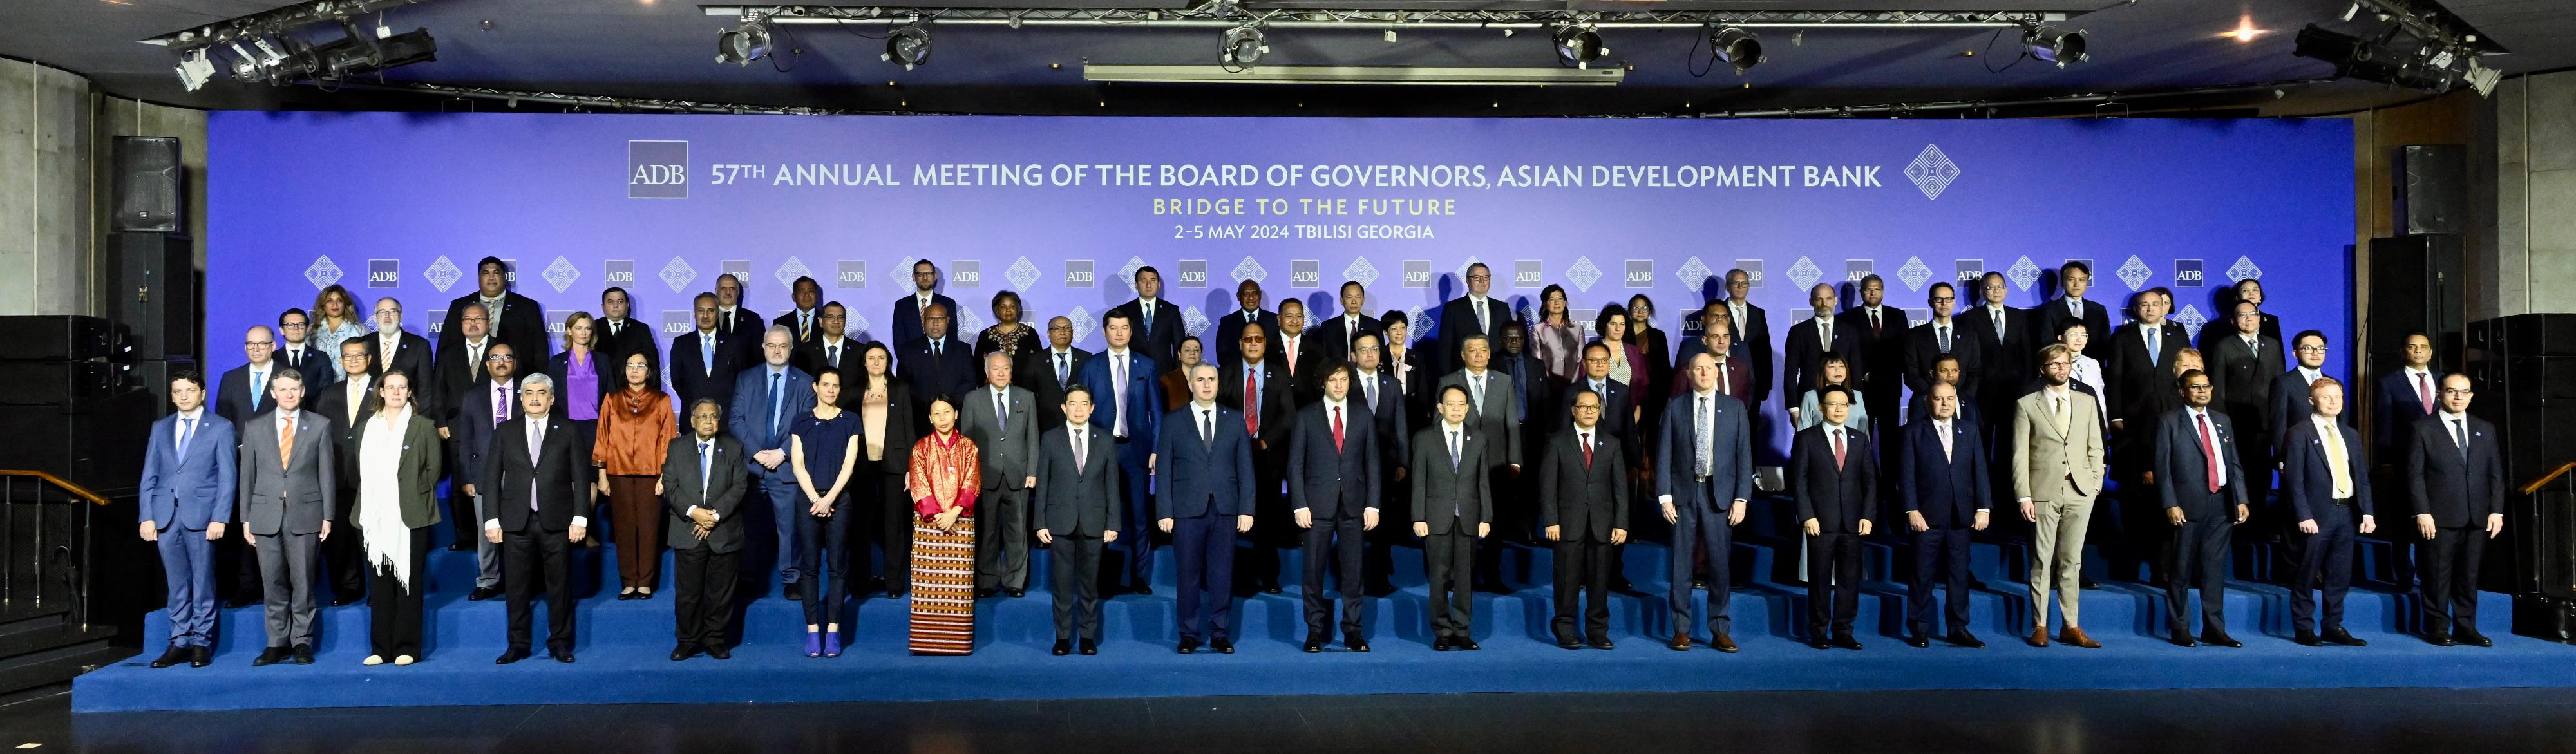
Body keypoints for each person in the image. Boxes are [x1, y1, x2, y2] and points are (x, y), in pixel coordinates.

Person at [1654, 352, 1753, 652]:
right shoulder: (1675, 406)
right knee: (1681, 566)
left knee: (1720, 566)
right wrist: (1664, 496)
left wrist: (1741, 497)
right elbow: (1664, 453)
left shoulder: (1735, 408)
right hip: (1683, 495)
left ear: (1716, 371)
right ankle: (1681, 630)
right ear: (1689, 374)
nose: (1704, 373)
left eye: (1709, 368)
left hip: (1720, 496)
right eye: (1698, 369)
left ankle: (1720, 629)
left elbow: (1744, 456)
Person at [138, 370, 237, 669]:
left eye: (190, 390)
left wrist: (220, 517)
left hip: (202, 517)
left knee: (203, 580)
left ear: (202, 394)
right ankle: (179, 641)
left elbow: (228, 477)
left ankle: (201, 642)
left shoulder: (221, 428)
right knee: (176, 583)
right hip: (165, 515)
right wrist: (147, 516)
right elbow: (150, 475)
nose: (184, 396)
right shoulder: (160, 427)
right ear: (172, 395)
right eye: (178, 391)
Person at [485, 373, 585, 664]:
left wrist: (580, 518)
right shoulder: (505, 431)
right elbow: (491, 479)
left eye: (541, 392)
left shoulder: (568, 430)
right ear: (521, 398)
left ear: (552, 399)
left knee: (560, 586)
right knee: (516, 588)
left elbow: (581, 476)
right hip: (516, 522)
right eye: (529, 392)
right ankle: (518, 644)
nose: (535, 398)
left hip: (558, 521)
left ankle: (560, 643)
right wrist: (492, 520)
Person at [1156, 364, 1256, 654]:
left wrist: (1247, 509)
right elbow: (1164, 470)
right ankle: (1188, 633)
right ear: (1190, 385)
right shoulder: (1174, 421)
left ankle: (1220, 633)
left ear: (1218, 383)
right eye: (1201, 380)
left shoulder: (1235, 420)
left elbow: (1246, 469)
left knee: (1222, 574)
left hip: (1226, 509)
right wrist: (1164, 510)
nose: (1207, 385)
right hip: (1187, 510)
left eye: (1212, 379)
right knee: (1188, 575)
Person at [2014, 344, 2108, 648]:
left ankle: (2071, 625)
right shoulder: (2027, 404)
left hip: (2081, 490)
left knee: (2072, 561)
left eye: (2066, 363)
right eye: (2055, 364)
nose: (2062, 369)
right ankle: (2039, 625)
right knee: (2041, 561)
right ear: (2043, 369)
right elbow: (2019, 456)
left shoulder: (2086, 401)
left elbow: (2097, 445)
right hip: (2042, 491)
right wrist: (2023, 495)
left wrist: (2095, 483)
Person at [238, 369, 334, 666]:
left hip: (306, 514)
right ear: (273, 393)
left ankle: (302, 642)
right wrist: (245, 519)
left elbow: (326, 474)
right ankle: (276, 643)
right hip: (264, 515)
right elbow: (247, 477)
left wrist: (327, 515)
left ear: (303, 391)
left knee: (303, 582)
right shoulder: (254, 427)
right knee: (273, 582)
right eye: (283, 389)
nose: (289, 394)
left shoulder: (320, 425)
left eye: (294, 389)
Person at [1287, 364, 1380, 653]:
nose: (1339, 385)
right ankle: (1315, 632)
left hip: (1354, 505)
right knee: (1313, 573)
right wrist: (1299, 504)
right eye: (1333, 380)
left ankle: (1353, 632)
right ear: (1323, 383)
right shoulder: (1306, 416)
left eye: (1344, 380)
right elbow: (1296, 464)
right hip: (1316, 507)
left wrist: (1373, 504)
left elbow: (1373, 463)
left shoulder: (1364, 415)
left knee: (1354, 573)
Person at [2155, 368, 2251, 647]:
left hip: (2221, 504)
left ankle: (2214, 628)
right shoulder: (2169, 421)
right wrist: (2170, 503)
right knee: (2181, 570)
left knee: (2214, 570)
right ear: (2182, 391)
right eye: (2195, 387)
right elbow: (2163, 469)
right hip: (2186, 507)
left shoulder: (2222, 421)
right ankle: (2180, 627)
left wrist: (2241, 498)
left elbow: (2233, 464)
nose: (2202, 391)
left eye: (2206, 386)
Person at [350, 370, 439, 666]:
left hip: (410, 517)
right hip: (373, 517)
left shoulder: (423, 426)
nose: (397, 392)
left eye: (403, 387)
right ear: (381, 392)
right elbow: (358, 470)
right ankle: (380, 649)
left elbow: (433, 470)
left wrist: (411, 495)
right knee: (379, 586)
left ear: (410, 392)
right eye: (391, 387)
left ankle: (407, 648)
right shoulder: (366, 428)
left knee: (409, 585)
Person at [2409, 373, 2504, 647]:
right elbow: (2414, 476)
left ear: (2472, 396)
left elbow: (2495, 474)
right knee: (2437, 575)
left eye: (2464, 392)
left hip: (2477, 517)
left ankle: (2466, 627)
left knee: (2469, 576)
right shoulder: (2422, 429)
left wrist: (2496, 511)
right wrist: (2422, 512)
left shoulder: (2485, 428)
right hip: (2438, 517)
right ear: (2440, 394)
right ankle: (2438, 627)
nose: (2458, 397)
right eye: (2452, 391)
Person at [2280, 377, 2375, 647]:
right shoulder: (2299, 433)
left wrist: (2367, 512)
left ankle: (2333, 625)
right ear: (2312, 401)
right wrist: (2303, 515)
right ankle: (2304, 628)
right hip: (2316, 515)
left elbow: (2361, 477)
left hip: (2346, 514)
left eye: (2338, 397)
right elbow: (2293, 480)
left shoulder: (2351, 434)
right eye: (2327, 397)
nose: (2334, 402)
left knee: (2340, 574)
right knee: (2307, 574)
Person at [1077, 310, 1162, 594]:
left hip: (1136, 450)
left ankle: (1138, 576)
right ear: (1104, 332)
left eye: (1125, 328)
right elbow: (1080, 413)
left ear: (1131, 331)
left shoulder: (1146, 365)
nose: (1119, 333)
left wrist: (1156, 449)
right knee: (1099, 515)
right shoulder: (1091, 366)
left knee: (1140, 515)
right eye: (1113, 328)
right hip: (1101, 449)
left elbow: (1157, 412)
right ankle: (1099, 578)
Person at [1899, 382, 1988, 648]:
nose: (1945, 403)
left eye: (1950, 398)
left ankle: (1958, 628)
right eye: (1939, 399)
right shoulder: (1913, 432)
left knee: (1959, 575)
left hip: (1961, 518)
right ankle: (1919, 628)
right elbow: (1906, 475)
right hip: (1925, 518)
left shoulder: (1969, 431)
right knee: (1922, 575)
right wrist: (1911, 510)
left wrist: (1984, 508)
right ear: (1929, 402)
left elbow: (1980, 471)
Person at [730, 326, 816, 601]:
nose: (777, 350)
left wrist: (782, 453)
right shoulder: (747, 378)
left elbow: (807, 423)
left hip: (787, 467)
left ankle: (792, 577)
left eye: (782, 346)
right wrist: (756, 453)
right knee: (750, 526)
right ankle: (747, 576)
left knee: (789, 527)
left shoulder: (805, 382)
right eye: (771, 345)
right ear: (764, 347)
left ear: (791, 349)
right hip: (752, 468)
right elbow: (735, 420)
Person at [1036, 385, 1122, 656]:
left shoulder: (1106, 440)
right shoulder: (1050, 439)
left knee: (1089, 585)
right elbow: (1043, 484)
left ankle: (1087, 636)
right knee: (1061, 586)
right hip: (1060, 522)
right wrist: (1040, 522)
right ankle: (1062, 637)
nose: (1078, 409)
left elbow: (1112, 486)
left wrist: (1113, 523)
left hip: (1095, 523)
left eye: (1084, 404)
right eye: (1073, 404)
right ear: (1064, 408)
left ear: (1092, 408)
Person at [1540, 389, 1626, 650]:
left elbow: (1620, 487)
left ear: (1600, 411)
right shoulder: (1557, 441)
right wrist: (1551, 520)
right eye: (1584, 407)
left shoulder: (1611, 444)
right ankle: (1565, 628)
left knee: (1600, 580)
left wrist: (1621, 523)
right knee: (1567, 579)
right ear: (1573, 410)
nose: (1589, 411)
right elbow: (1547, 484)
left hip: (1602, 525)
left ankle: (1598, 631)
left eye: (1594, 407)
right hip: (1567, 523)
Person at [1792, 385, 1876, 650]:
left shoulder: (1860, 440)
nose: (1839, 409)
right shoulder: (1806, 438)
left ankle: (1843, 630)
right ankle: (1819, 631)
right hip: (1820, 522)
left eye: (1844, 405)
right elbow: (1799, 481)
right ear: (1821, 408)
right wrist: (1807, 515)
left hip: (1853, 523)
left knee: (1849, 581)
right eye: (1833, 404)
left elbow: (1870, 482)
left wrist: (1868, 515)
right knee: (1819, 580)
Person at [666, 399, 748, 661]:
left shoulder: (734, 447)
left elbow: (739, 486)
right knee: (688, 593)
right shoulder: (677, 447)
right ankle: (688, 641)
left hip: (723, 532)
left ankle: (715, 640)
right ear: (692, 420)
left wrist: (713, 516)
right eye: (703, 417)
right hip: (688, 530)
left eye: (713, 417)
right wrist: (694, 513)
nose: (709, 422)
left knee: (721, 593)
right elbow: (670, 485)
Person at [1412, 385, 1492, 650]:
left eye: (1461, 404)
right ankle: (1442, 631)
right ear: (1440, 408)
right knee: (1439, 576)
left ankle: (1462, 630)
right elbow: (1419, 482)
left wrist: (1486, 517)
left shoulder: (1478, 438)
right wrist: (1418, 517)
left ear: (1468, 408)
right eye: (1451, 404)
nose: (1456, 409)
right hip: (1435, 517)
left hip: (1469, 517)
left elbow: (1483, 483)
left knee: (1465, 577)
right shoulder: (1425, 438)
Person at [790, 372, 864, 658]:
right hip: (809, 500)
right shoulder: (801, 421)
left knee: (837, 566)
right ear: (815, 387)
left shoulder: (851, 421)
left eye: (836, 385)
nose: (831, 390)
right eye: (826, 385)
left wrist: (830, 498)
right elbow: (798, 464)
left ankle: (833, 629)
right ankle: (812, 630)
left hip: (839, 500)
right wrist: (815, 499)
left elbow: (849, 465)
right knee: (809, 567)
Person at [1222, 326, 1296, 594]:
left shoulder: (1278, 373)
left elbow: (1288, 416)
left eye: (1258, 339)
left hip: (1268, 458)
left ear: (1265, 343)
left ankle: (1269, 576)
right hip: (1231, 458)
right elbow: (1218, 413)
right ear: (1241, 343)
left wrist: (1265, 441)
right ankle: (1231, 577)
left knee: (1266, 521)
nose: (1253, 344)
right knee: (1230, 519)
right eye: (1248, 339)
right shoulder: (1226, 373)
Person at [601, 350, 681, 599]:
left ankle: (645, 581)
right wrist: (602, 475)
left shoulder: (661, 400)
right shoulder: (612, 399)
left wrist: (664, 477)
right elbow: (602, 438)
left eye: (640, 365)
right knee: (624, 530)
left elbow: (669, 440)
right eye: (630, 365)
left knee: (649, 529)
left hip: (652, 475)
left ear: (649, 370)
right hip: (618, 473)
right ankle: (628, 582)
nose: (635, 370)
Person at [907, 394, 982, 655]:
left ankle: (957, 642)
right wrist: (938, 514)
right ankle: (926, 642)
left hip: (961, 522)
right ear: (929, 418)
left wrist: (955, 513)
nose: (942, 418)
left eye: (946, 412)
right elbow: (918, 485)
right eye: (936, 414)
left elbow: (972, 482)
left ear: (956, 414)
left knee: (958, 584)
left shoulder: (969, 447)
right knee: (928, 584)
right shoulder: (921, 448)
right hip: (929, 523)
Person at [961, 352, 1040, 598]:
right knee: (987, 531)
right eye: (995, 369)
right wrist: (969, 478)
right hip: (985, 477)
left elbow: (1033, 437)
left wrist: (1032, 471)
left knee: (1018, 531)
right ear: (987, 372)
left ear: (1011, 371)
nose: (1001, 373)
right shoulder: (973, 399)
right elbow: (967, 443)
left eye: (1005, 368)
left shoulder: (1026, 398)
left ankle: (1015, 581)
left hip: (1018, 476)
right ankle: (986, 581)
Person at [448, 341, 521, 601]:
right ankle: (488, 580)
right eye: (495, 357)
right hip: (483, 473)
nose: (501, 362)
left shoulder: (529, 392)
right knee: (486, 529)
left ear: (515, 363)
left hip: (521, 473)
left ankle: (519, 580)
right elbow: (465, 438)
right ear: (488, 364)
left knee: (519, 528)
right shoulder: (473, 395)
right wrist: (467, 476)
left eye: (507, 357)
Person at [311, 339, 377, 607]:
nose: (352, 360)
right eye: (347, 356)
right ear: (340, 361)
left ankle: (379, 589)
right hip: (337, 476)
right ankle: (349, 588)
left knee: (374, 537)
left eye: (358, 355)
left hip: (372, 476)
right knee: (341, 538)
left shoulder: (384, 388)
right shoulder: (329, 393)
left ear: (369, 359)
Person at [851, 343, 919, 598]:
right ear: (864, 362)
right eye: (871, 358)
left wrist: (912, 467)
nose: (877, 362)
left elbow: (909, 428)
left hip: (895, 464)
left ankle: (894, 583)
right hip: (861, 465)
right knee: (861, 524)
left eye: (882, 358)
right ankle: (860, 583)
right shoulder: (854, 390)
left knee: (895, 525)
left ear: (888, 362)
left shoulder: (900, 388)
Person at [440, 256, 549, 376]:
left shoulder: (527, 307)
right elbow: (445, 346)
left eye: (496, 273)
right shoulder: (459, 306)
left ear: (505, 277)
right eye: (486, 273)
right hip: (467, 380)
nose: (491, 277)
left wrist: (540, 381)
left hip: (515, 379)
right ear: (479, 277)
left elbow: (540, 352)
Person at [1958, 272, 2031, 446]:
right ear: (1983, 291)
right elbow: (1967, 356)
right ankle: (1983, 473)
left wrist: (2026, 384)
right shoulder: (1970, 318)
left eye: (2000, 286)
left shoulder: (2019, 317)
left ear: (2006, 289)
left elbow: (2027, 353)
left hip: (2014, 388)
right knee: (1982, 437)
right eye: (1990, 287)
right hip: (1983, 389)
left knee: (2011, 438)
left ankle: (2006, 473)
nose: (1996, 291)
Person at [2206, 302, 2283, 455]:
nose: (2249, 319)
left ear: (2259, 318)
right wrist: (2222, 424)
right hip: (2237, 422)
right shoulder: (2224, 347)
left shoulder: (2272, 345)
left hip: (2265, 421)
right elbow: (2218, 389)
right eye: (2242, 315)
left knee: (2263, 473)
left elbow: (2279, 384)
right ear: (2233, 321)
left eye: (2253, 314)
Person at [1839, 275, 1911, 435]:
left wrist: (1886, 375)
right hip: (1860, 386)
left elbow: (1904, 350)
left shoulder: (1898, 316)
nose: (1873, 293)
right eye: (1868, 290)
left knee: (1890, 436)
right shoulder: (1847, 319)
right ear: (1861, 292)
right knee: (1861, 435)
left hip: (1890, 386)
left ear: (1883, 291)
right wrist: (1863, 374)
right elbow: (1847, 352)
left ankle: (1889, 462)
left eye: (1877, 289)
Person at [1783, 284, 1862, 420]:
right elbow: (1791, 372)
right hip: (1809, 403)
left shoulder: (1849, 331)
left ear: (1835, 301)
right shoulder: (1799, 332)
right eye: (1819, 299)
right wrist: (1793, 408)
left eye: (1829, 298)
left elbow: (1855, 369)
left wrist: (1856, 404)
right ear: (1811, 302)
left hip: (1843, 404)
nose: (1824, 303)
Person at [896, 303, 977, 433]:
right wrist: (930, 406)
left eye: (940, 319)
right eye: (930, 319)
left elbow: (970, 382)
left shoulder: (962, 349)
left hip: (956, 419)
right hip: (921, 419)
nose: (935, 324)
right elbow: (904, 384)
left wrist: (948, 405)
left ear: (948, 321)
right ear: (923, 321)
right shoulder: (909, 349)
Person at [1902, 283, 1982, 406]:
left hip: (1962, 401)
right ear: (1930, 303)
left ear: (1954, 302)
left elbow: (1975, 371)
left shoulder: (1969, 335)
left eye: (1949, 299)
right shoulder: (1914, 335)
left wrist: (1958, 397)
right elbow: (1911, 372)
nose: (1944, 303)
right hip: (1926, 401)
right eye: (1939, 299)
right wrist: (1935, 395)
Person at [670, 292, 744, 418]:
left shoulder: (733, 342)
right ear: (694, 313)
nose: (705, 316)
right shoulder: (681, 343)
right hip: (692, 417)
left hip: (726, 418)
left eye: (711, 311)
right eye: (701, 310)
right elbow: (677, 381)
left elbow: (741, 378)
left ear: (718, 314)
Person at [2269, 330, 2338, 456]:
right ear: (2295, 353)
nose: (2315, 353)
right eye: (2308, 348)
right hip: (2298, 453)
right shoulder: (2283, 382)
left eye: (2321, 348)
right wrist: (2282, 457)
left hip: (2332, 452)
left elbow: (2341, 422)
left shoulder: (2334, 384)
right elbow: (2278, 425)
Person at [1564, 343, 1637, 462]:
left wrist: (1635, 460)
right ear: (1584, 363)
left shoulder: (1621, 390)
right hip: (1584, 458)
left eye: (1605, 360)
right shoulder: (1572, 392)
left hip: (1617, 457)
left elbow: (1630, 428)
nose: (1600, 365)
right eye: (1594, 360)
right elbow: (1565, 427)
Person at [1435, 263, 1511, 376]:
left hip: (1497, 374)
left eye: (1486, 277)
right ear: (1467, 280)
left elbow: (1508, 343)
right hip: (1463, 373)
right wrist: (1448, 378)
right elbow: (1445, 348)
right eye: (1477, 277)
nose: (1482, 281)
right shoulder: (1453, 308)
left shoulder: (1502, 308)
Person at [1717, 269, 1776, 411]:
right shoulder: (1718, 311)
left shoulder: (1758, 313)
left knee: (1751, 429)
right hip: (1724, 380)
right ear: (1727, 287)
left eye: (1744, 283)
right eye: (1736, 283)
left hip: (1754, 384)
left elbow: (1765, 350)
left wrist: (1766, 384)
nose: (1741, 286)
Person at [1019, 315, 1091, 429]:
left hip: (1080, 424)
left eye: (1067, 328)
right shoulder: (1035, 360)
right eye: (1057, 328)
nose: (1062, 332)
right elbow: (1027, 395)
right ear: (1049, 333)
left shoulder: (1086, 358)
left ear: (1072, 332)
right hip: (1046, 426)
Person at [1108, 265, 1186, 368]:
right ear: (1136, 285)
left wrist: (1178, 375)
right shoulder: (1124, 310)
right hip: (1133, 370)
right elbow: (1118, 342)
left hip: (1164, 373)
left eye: (1153, 281)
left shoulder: (1171, 310)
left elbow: (1179, 346)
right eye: (1144, 281)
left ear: (1158, 285)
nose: (1149, 285)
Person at [2036, 261, 2111, 362]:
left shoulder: (2098, 309)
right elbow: (2047, 342)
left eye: (2082, 280)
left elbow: (2105, 342)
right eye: (2072, 279)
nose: (2077, 284)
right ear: (2062, 282)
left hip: (2093, 368)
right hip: (2061, 368)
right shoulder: (2049, 310)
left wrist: (2091, 364)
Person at [889, 261, 961, 355]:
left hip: (941, 363)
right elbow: (899, 342)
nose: (925, 278)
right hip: (911, 363)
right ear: (914, 277)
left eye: (929, 274)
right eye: (920, 274)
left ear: (935, 276)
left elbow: (951, 338)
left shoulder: (948, 304)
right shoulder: (902, 305)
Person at [596, 287, 663, 381]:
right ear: (603, 306)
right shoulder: (592, 328)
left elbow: (653, 362)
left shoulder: (641, 329)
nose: (615, 305)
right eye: (610, 302)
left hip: (632, 391)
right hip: (601, 390)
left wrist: (653, 393)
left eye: (620, 302)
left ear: (627, 305)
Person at [365, 297, 433, 387]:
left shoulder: (420, 345)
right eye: (382, 312)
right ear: (375, 317)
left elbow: (426, 386)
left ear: (401, 316)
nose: (387, 316)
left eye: (393, 311)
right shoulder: (364, 343)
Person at [1793, 354, 1870, 432]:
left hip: (1853, 444)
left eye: (1841, 366)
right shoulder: (1811, 397)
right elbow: (1803, 433)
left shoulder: (1857, 396)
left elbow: (1864, 431)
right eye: (1832, 367)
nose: (1838, 370)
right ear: (1822, 370)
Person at [1213, 279, 1278, 368]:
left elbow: (1279, 352)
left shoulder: (1274, 320)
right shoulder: (1227, 322)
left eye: (1255, 293)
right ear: (1238, 297)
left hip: (1270, 376)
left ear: (1260, 295)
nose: (1251, 298)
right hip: (1237, 377)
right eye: (1245, 294)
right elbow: (1222, 355)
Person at [310, 285, 369, 379]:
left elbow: (368, 358)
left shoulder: (359, 329)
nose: (335, 304)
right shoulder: (312, 331)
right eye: (330, 301)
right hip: (319, 386)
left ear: (346, 304)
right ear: (322, 305)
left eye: (340, 300)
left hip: (350, 386)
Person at [1530, 285, 1584, 386]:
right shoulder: (1538, 329)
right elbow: (1537, 362)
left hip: (1574, 386)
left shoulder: (1577, 328)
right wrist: (1547, 383)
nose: (1557, 303)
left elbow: (1581, 360)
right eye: (1552, 299)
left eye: (1560, 299)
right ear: (1545, 304)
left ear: (1565, 303)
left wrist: (1573, 384)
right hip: (1548, 386)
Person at [1903, 355, 1981, 426]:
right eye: (1944, 371)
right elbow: (1913, 433)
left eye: (1954, 371)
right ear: (1933, 373)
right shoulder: (1920, 402)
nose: (1950, 375)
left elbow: (1978, 434)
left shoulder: (1969, 401)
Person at [800, 301, 863, 388]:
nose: (836, 321)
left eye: (840, 317)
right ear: (821, 322)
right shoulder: (806, 351)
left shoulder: (860, 351)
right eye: (831, 317)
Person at [1316, 281, 1381, 364]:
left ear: (1363, 300)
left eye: (1358, 297)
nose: (1354, 302)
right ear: (1341, 300)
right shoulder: (1328, 327)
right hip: (1338, 375)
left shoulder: (1375, 326)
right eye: (1349, 297)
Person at [970, 290, 1039, 365]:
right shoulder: (985, 335)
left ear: (1017, 309)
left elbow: (1040, 362)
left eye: (1012, 306)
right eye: (1003, 307)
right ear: (997, 310)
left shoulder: (1030, 333)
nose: (1008, 310)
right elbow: (978, 366)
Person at [1275, 299, 1323, 403]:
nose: (1295, 321)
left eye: (1299, 316)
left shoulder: (1317, 349)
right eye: (1289, 316)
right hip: (1275, 412)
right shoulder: (1267, 347)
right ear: (1279, 319)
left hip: (1308, 411)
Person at [714, 273, 766, 366]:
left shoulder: (753, 320)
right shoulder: (708, 318)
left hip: (744, 378)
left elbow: (760, 356)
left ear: (738, 292)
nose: (728, 292)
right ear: (716, 291)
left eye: (732, 288)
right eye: (723, 288)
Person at [1592, 305, 1646, 394]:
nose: (1618, 329)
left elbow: (1643, 383)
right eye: (1613, 324)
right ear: (1605, 325)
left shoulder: (1635, 352)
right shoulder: (1592, 351)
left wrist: (1638, 406)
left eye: (1622, 324)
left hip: (1629, 407)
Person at [272, 308, 330, 388]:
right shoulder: (272, 358)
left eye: (301, 324)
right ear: (282, 330)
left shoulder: (321, 358)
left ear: (307, 329)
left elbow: (326, 390)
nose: (296, 328)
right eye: (290, 325)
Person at [772, 276, 827, 359]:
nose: (807, 295)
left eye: (811, 291)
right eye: (801, 292)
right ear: (794, 297)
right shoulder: (780, 323)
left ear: (816, 295)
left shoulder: (827, 321)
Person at [1159, 336, 1206, 413]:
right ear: (1179, 354)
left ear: (1201, 354)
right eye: (1187, 350)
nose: (1192, 353)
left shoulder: (1210, 378)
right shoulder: (1167, 380)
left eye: (1196, 350)